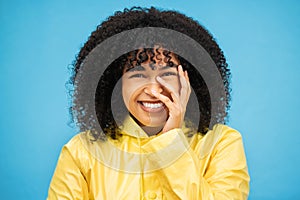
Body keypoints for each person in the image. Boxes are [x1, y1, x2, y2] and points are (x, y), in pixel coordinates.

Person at [47, 7, 250, 199]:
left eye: (167, 74)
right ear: (116, 83)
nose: (153, 90)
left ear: (190, 80)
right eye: (138, 75)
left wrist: (172, 141)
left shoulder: (222, 144)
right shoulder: (81, 151)